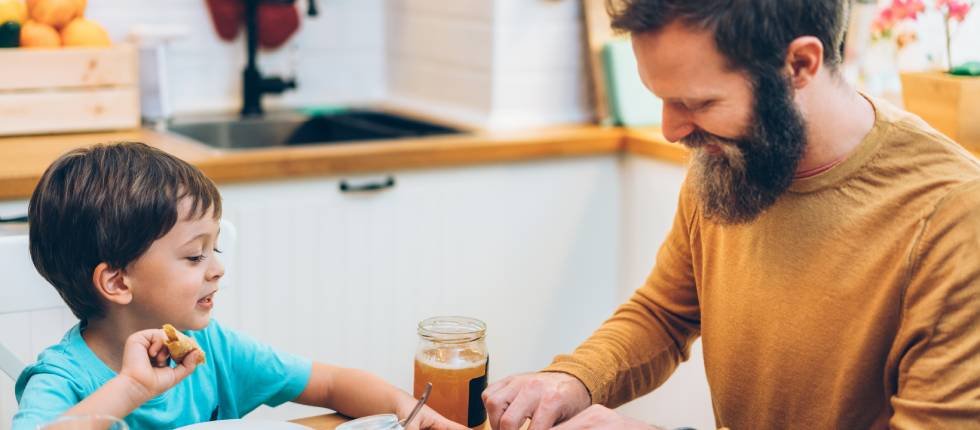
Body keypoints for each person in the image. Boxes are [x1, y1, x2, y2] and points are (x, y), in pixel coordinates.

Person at [483, 0, 980, 429]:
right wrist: (571, 380)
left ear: (800, 65)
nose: (671, 130)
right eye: (661, 99)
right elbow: (665, 312)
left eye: (696, 102)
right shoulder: (733, 160)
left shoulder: (952, 217)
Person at [14, 142, 467, 430]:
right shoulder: (63, 380)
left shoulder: (211, 348)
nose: (217, 270)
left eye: (216, 250)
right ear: (117, 281)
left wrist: (410, 412)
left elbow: (329, 384)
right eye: (195, 256)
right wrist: (132, 387)